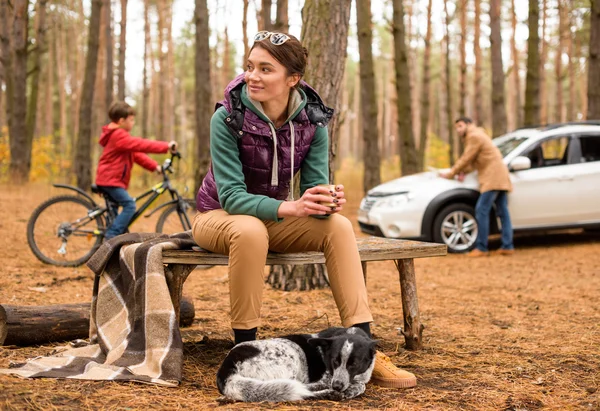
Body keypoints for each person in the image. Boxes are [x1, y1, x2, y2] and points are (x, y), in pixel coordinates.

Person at [193, 31, 417, 388]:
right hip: (216, 216)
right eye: (250, 67)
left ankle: (363, 347)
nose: (253, 76)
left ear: (292, 79)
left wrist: (325, 202)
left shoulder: (312, 120)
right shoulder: (227, 118)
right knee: (249, 229)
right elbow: (232, 197)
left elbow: (314, 185)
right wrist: (293, 206)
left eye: (266, 69)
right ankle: (246, 349)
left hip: (273, 218)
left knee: (339, 226)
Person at [96, 101, 177, 239]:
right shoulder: (118, 135)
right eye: (131, 120)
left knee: (114, 217)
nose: (133, 123)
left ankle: (110, 243)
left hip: (111, 179)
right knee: (129, 205)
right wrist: (166, 146)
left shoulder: (118, 136)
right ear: (122, 121)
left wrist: (155, 167)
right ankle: (111, 237)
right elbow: (141, 144)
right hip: (110, 180)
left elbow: (136, 155)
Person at [440, 117, 514, 257]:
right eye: (457, 127)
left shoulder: (474, 136)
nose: (458, 130)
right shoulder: (480, 135)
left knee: (482, 209)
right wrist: (463, 171)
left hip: (492, 177)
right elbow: (476, 161)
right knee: (503, 211)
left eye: (460, 126)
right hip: (500, 175)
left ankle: (481, 247)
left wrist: (451, 173)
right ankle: (507, 245)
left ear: (469, 124)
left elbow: (467, 158)